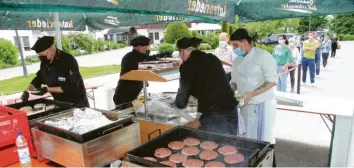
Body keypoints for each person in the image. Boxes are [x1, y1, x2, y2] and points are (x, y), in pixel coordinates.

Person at [229, 28, 277, 166]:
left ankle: (268, 164)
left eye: (236, 45)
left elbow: (271, 82)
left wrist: (252, 94)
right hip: (245, 103)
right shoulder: (238, 60)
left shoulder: (263, 56)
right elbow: (234, 82)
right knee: (247, 138)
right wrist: (229, 91)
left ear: (244, 41)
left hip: (262, 104)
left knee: (263, 139)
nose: (234, 49)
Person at [174, 37, 238, 136]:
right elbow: (211, 82)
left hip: (213, 115)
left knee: (212, 147)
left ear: (182, 51)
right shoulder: (212, 58)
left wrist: (177, 103)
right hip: (231, 109)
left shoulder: (187, 66)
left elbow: (181, 102)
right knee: (231, 145)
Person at [20, 36, 89, 107]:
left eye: (44, 55)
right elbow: (39, 79)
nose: (41, 58)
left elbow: (73, 87)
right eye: (39, 55)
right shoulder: (45, 63)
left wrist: (47, 89)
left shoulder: (68, 60)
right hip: (59, 103)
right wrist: (27, 91)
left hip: (77, 103)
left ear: (51, 49)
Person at [113, 36, 172, 109]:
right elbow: (140, 68)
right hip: (124, 96)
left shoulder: (140, 56)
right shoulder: (129, 57)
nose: (148, 48)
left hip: (134, 95)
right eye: (147, 46)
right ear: (139, 46)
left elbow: (150, 58)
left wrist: (164, 55)